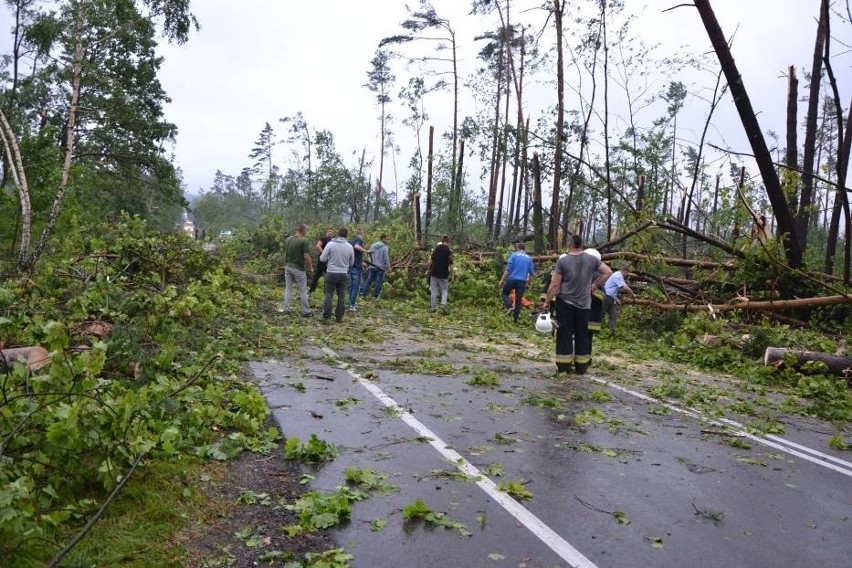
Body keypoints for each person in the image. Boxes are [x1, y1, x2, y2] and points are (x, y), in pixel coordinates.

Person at [544, 235, 612, 374]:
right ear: (582, 245)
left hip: (566, 304)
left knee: (564, 334)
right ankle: (582, 367)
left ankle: (564, 367)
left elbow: (555, 284)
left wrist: (547, 301)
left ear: (570, 244)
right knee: (582, 335)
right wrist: (594, 285)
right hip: (585, 305)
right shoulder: (591, 259)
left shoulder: (563, 261)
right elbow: (608, 272)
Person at [320, 227, 355, 323]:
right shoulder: (349, 246)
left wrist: (329, 259)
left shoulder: (331, 244)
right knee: (342, 295)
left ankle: (327, 315)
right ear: (346, 235)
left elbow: (322, 258)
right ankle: (339, 317)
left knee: (329, 294)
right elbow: (352, 262)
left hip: (331, 272)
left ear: (338, 234)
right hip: (343, 273)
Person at [281, 223, 314, 317]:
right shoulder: (303, 241)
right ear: (303, 230)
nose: (306, 232)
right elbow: (306, 257)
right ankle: (306, 311)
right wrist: (310, 268)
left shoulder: (288, 239)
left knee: (288, 288)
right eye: (306, 230)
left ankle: (286, 308)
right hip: (298, 268)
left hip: (288, 266)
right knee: (303, 290)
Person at [498, 242, 535, 323]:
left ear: (517, 248)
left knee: (504, 293)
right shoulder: (529, 258)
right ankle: (516, 319)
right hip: (522, 282)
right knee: (518, 301)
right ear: (524, 249)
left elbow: (508, 269)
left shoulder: (514, 255)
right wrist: (528, 284)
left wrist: (502, 280)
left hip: (512, 279)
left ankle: (509, 306)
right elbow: (532, 274)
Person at [602, 264, 635, 334]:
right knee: (601, 313)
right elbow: (624, 287)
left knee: (613, 315)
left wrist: (616, 298)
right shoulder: (618, 275)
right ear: (624, 271)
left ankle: (612, 332)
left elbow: (613, 288)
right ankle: (598, 330)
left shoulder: (618, 276)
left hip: (611, 298)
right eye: (627, 273)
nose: (627, 275)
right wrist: (632, 294)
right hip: (606, 297)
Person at [427, 235, 453, 312]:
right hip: (443, 274)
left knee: (434, 291)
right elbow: (451, 264)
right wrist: (452, 274)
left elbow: (431, 260)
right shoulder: (449, 251)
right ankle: (443, 304)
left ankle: (432, 308)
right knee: (444, 290)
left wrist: (428, 269)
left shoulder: (437, 248)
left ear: (442, 241)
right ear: (448, 242)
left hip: (434, 272)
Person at [361, 234, 390, 299]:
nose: (388, 240)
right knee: (378, 282)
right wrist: (388, 266)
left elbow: (369, 254)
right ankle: (375, 296)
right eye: (387, 239)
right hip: (380, 267)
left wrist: (371, 263)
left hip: (372, 266)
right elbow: (386, 258)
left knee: (369, 280)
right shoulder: (385, 247)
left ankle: (363, 294)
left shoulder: (373, 245)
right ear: (383, 239)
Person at [348, 227, 369, 312]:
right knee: (356, 286)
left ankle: (352, 302)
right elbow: (357, 247)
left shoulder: (351, 241)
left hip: (352, 265)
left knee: (352, 286)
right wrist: (366, 251)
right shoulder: (358, 240)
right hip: (356, 266)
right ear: (361, 234)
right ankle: (352, 305)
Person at [309, 227, 335, 293]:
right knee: (318, 274)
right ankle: (311, 290)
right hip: (322, 260)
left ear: (333, 234)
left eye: (331, 232)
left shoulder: (333, 241)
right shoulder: (323, 239)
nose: (330, 233)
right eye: (329, 231)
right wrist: (323, 252)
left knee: (328, 275)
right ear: (326, 232)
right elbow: (318, 246)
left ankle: (326, 291)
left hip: (330, 261)